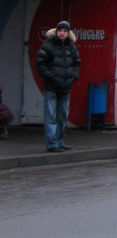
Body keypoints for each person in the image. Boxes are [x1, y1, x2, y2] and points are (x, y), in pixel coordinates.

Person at [35, 20, 81, 152]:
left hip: (66, 87)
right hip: (51, 87)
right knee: (50, 115)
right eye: (60, 31)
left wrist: (73, 76)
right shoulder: (47, 46)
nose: (62, 33)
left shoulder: (72, 48)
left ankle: (59, 141)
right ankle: (52, 143)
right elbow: (40, 65)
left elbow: (77, 63)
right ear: (56, 32)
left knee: (62, 116)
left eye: (65, 31)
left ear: (68, 33)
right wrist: (51, 77)